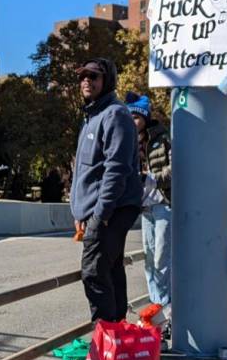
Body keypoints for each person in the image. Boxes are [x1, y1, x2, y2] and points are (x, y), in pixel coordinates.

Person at [71, 58, 142, 322]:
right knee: (110, 271)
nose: (86, 80)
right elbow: (86, 171)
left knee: (94, 272)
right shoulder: (92, 116)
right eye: (82, 76)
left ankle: (105, 341)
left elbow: (117, 168)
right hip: (99, 210)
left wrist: (100, 214)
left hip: (113, 209)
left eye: (94, 76)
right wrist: (80, 210)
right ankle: (118, 342)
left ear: (107, 81)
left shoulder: (115, 114)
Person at [127, 92, 172, 322]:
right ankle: (156, 307)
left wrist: (151, 178)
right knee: (148, 259)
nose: (132, 121)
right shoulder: (128, 141)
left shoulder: (162, 138)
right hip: (145, 209)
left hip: (164, 205)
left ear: (144, 117)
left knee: (162, 259)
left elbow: (176, 169)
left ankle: (165, 309)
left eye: (135, 117)